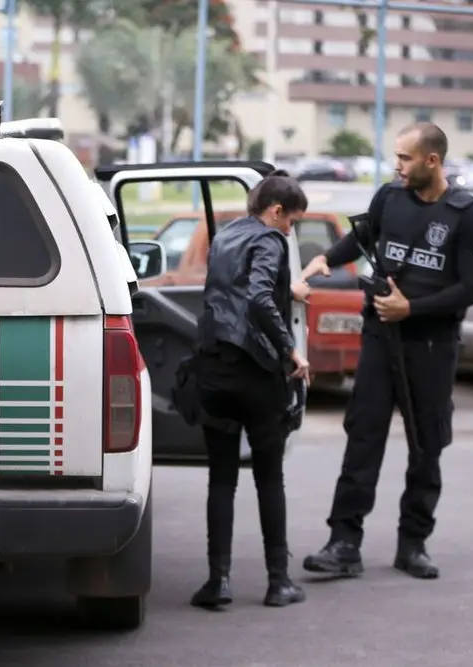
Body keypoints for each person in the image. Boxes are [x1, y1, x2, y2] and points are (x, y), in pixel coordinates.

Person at [300, 122, 473, 581]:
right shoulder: (390, 197)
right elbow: (364, 238)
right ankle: (344, 543)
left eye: (405, 158)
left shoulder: (466, 214)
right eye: (396, 157)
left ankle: (413, 544)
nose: (397, 166)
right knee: (363, 437)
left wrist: (413, 308)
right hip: (380, 339)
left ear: (432, 160)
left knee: (426, 446)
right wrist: (328, 257)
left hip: (432, 346)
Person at [189, 170, 312, 611]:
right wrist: (292, 351)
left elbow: (233, 292)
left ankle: (217, 581)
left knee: (221, 480)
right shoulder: (270, 240)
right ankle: (278, 582)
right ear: (276, 211)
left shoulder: (225, 236)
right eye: (291, 221)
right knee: (269, 478)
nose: (289, 230)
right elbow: (259, 296)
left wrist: (286, 289)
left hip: (214, 371)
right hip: (257, 376)